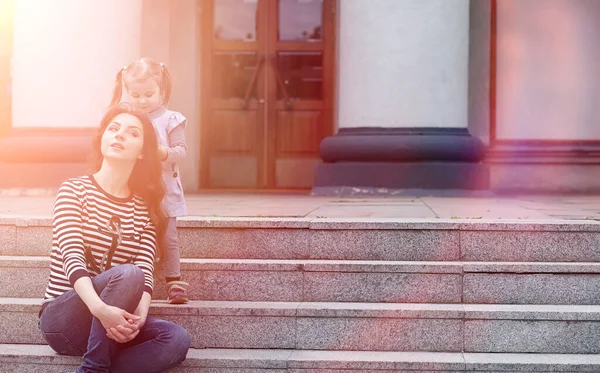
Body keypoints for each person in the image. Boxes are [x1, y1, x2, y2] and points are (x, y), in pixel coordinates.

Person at [38, 105, 190, 373]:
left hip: (108, 327)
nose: (120, 135)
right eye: (114, 129)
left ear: (143, 151)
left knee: (176, 339)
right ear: (103, 139)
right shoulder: (74, 190)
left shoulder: (145, 207)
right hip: (65, 318)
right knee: (129, 274)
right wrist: (101, 310)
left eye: (132, 133)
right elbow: (71, 258)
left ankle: (97, 364)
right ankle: (94, 368)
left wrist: (139, 320)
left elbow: (146, 271)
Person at [110, 57, 189, 304]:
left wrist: (162, 153)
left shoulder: (170, 119)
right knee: (137, 234)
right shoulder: (127, 120)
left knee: (168, 236)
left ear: (161, 91)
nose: (142, 101)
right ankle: (135, 281)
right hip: (136, 189)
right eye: (135, 95)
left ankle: (174, 281)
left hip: (165, 190)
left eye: (148, 94)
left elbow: (181, 150)